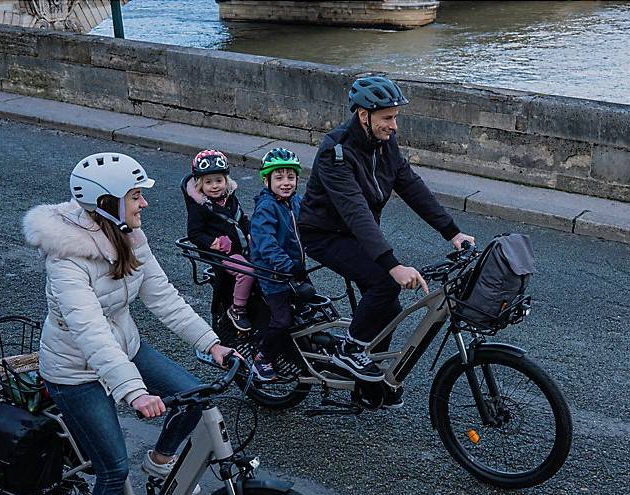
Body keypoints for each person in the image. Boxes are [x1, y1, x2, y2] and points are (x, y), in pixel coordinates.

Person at [23, 152, 238, 495]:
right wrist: (133, 391)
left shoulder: (128, 235)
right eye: (136, 196)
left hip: (125, 347)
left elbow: (164, 298)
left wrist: (212, 342)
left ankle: (160, 462)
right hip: (74, 370)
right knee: (112, 468)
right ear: (106, 202)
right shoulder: (66, 260)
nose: (144, 204)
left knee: (191, 398)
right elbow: (90, 331)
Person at [298, 75, 475, 406]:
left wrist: (452, 232)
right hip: (326, 235)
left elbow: (410, 185)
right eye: (388, 118)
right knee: (384, 283)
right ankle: (349, 349)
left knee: (388, 305)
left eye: (395, 117)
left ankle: (369, 381)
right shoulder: (334, 152)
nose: (395, 126)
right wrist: (392, 265)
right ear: (364, 115)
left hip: (357, 234)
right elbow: (356, 214)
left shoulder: (384, 144)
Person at [249, 147, 308, 380]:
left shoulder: (295, 201)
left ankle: (298, 350)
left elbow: (310, 223)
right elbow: (265, 242)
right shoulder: (266, 207)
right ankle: (262, 358)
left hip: (293, 269)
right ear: (267, 180)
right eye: (279, 177)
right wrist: (286, 264)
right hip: (273, 273)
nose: (286, 182)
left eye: (291, 177)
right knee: (282, 319)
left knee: (312, 307)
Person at [183, 149, 255, 333]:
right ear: (199, 184)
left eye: (219, 181)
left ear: (226, 180)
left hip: (241, 246)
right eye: (208, 182)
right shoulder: (199, 207)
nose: (214, 186)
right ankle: (237, 309)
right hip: (221, 253)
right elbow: (194, 233)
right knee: (246, 272)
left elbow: (241, 218)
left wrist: (252, 232)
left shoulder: (230, 199)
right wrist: (215, 242)